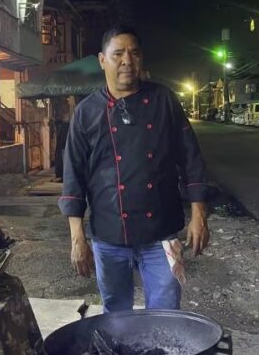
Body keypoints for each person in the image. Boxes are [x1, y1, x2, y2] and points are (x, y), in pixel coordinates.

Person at [58, 25, 215, 313]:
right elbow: (74, 177)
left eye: (134, 53)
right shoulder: (86, 112)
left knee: (166, 313)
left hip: (162, 234)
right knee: (116, 314)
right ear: (102, 60)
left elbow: (191, 159)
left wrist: (199, 214)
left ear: (141, 59)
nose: (127, 61)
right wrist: (77, 237)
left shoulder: (164, 100)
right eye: (118, 54)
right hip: (108, 237)